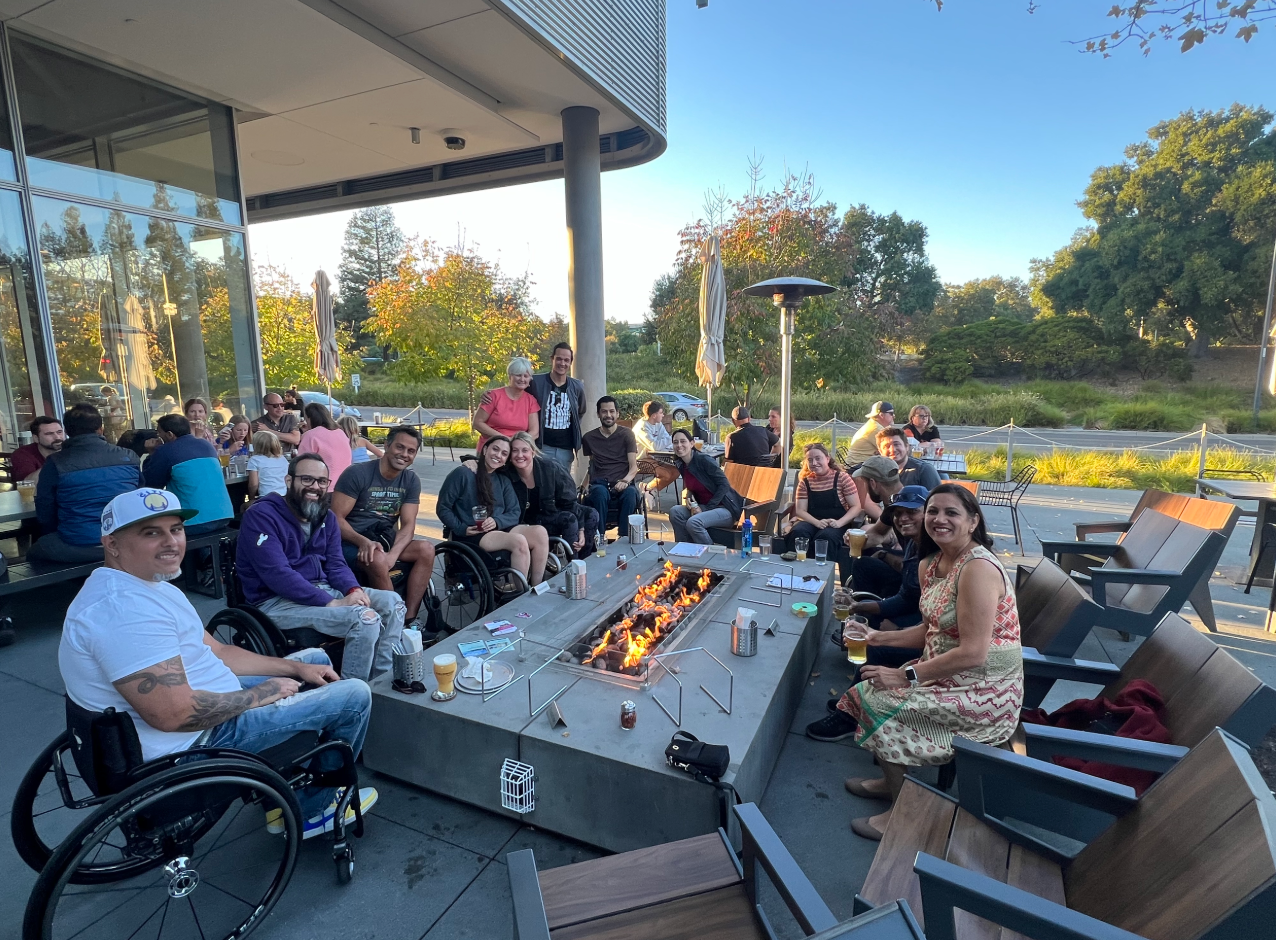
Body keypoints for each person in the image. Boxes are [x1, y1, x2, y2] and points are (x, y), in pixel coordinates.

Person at [59, 488, 376, 835]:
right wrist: (262, 694)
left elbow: (219, 652)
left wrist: (294, 669)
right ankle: (312, 810)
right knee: (355, 696)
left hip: (205, 703)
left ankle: (284, 780)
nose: (171, 542)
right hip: (193, 747)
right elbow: (175, 714)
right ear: (112, 543)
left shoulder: (151, 586)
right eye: (151, 533)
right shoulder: (123, 613)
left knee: (313, 659)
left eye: (175, 529)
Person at [840, 484, 1023, 840]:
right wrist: (877, 637)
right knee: (870, 688)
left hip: (985, 689)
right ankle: (891, 782)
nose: (939, 519)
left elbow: (974, 652)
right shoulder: (932, 563)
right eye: (934, 511)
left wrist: (904, 675)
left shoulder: (978, 569)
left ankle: (904, 814)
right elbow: (931, 627)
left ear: (972, 522)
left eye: (951, 513)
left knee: (877, 698)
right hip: (948, 672)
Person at [237, 453, 406, 682]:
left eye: (321, 481)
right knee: (365, 619)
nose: (314, 487)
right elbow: (277, 574)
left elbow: (336, 563)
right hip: (275, 601)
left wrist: (352, 590)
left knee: (393, 603)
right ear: (289, 481)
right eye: (307, 479)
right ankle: (351, 694)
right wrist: (331, 602)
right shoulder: (261, 516)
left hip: (321, 590)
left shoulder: (325, 516)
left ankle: (380, 683)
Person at [806, 486, 929, 743]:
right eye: (898, 513)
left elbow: (927, 611)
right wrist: (859, 607)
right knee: (864, 566)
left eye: (912, 512)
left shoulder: (935, 554)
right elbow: (908, 595)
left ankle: (850, 717)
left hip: (932, 637)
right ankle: (857, 687)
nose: (903, 518)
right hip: (918, 614)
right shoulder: (913, 543)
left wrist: (893, 628)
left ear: (928, 513)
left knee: (875, 646)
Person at [332, 426, 437, 632]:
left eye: (411, 451)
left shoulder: (410, 480)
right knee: (378, 558)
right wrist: (362, 541)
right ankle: (394, 622)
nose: (404, 454)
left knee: (426, 549)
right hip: (350, 542)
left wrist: (393, 554)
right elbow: (336, 519)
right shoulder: (358, 473)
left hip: (384, 540)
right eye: (400, 447)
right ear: (386, 445)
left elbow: (408, 525)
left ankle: (409, 618)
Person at [32, 407, 143, 563]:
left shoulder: (56, 462)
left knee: (34, 552)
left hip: (80, 543)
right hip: (126, 539)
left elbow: (45, 510)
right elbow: (139, 495)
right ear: (100, 429)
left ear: (67, 431)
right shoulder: (129, 456)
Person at [437, 436, 548, 584]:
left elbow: (514, 512)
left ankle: (536, 585)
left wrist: (497, 521)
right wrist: (460, 528)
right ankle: (521, 593)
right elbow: (443, 507)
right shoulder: (463, 474)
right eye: (495, 449)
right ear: (484, 449)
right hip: (475, 533)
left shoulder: (503, 480)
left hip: (500, 527)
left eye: (504, 453)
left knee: (540, 532)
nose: (498, 455)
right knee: (518, 541)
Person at [504, 431, 599, 558]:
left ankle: (585, 561)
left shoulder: (549, 468)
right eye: (515, 451)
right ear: (510, 455)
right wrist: (470, 463)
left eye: (524, 450)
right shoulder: (506, 474)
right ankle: (573, 565)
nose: (520, 455)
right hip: (528, 520)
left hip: (550, 511)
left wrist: (581, 528)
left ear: (532, 452)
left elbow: (568, 501)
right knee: (569, 519)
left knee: (592, 514)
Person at [143, 414, 234, 534]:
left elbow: (151, 485)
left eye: (159, 433)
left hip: (193, 520)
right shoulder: (206, 445)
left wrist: (152, 453)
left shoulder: (166, 450)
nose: (158, 437)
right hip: (224, 515)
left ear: (170, 435)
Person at [668, 428, 744, 544]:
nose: (679, 445)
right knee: (675, 511)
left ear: (692, 443)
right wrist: (689, 499)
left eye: (683, 441)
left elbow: (724, 484)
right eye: (675, 442)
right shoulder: (682, 464)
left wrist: (707, 508)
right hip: (704, 507)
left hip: (724, 508)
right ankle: (683, 548)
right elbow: (691, 487)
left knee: (693, 522)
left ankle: (709, 554)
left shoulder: (704, 460)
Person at [787, 442, 860, 562]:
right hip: (812, 520)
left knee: (825, 537)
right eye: (810, 460)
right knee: (798, 532)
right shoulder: (805, 482)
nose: (814, 463)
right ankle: (797, 570)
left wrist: (839, 523)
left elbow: (856, 506)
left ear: (827, 458)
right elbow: (801, 510)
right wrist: (817, 522)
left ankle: (821, 573)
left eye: (818, 458)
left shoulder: (842, 478)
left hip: (837, 523)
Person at [582, 396, 639, 539]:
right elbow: (592, 465)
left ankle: (624, 537)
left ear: (617, 413)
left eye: (612, 411)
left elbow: (634, 467)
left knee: (631, 494)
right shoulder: (589, 438)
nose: (608, 415)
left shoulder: (627, 434)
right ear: (598, 414)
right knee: (599, 493)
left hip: (624, 481)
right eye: (604, 412)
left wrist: (625, 481)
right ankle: (599, 537)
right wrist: (583, 485)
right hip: (600, 482)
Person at [529, 342, 586, 472]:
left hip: (565, 448)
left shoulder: (576, 386)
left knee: (562, 486)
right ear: (552, 359)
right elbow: (517, 387)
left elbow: (581, 411)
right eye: (559, 359)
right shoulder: (536, 382)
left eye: (566, 360)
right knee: (542, 485)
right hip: (541, 446)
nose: (562, 363)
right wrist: (492, 394)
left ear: (571, 362)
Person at [474, 357, 540, 451]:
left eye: (526, 376)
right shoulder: (493, 396)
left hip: (516, 451)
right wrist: (505, 440)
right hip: (490, 450)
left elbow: (534, 432)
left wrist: (518, 444)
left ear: (530, 379)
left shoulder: (531, 401)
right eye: (518, 375)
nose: (522, 379)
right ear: (510, 376)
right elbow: (477, 423)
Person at [633, 400, 680, 503]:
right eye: (661, 413)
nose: (663, 415)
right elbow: (655, 446)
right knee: (667, 474)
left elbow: (664, 440)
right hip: (640, 461)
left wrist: (667, 441)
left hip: (655, 457)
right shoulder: (642, 428)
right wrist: (671, 438)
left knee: (677, 470)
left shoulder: (658, 424)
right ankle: (649, 489)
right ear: (654, 415)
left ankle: (649, 490)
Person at [298, 402, 351, 492]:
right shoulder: (340, 432)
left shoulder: (311, 435)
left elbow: (301, 464)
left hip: (322, 486)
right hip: (345, 484)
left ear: (309, 419)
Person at [876, 426, 941, 491]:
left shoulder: (924, 470)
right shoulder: (876, 472)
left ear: (907, 446)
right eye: (887, 446)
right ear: (880, 451)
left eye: (896, 444)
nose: (893, 449)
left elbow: (938, 499)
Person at [852, 455, 903, 526]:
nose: (865, 487)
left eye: (865, 483)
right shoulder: (892, 504)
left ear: (873, 483)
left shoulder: (901, 510)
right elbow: (877, 531)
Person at [11, 416, 64, 482]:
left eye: (59, 432)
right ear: (36, 438)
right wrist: (56, 462)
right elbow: (28, 483)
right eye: (49, 434)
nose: (57, 437)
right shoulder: (23, 454)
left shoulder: (71, 449)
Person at [846, 400, 895, 466]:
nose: (894, 416)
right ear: (882, 415)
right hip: (858, 465)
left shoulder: (873, 424)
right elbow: (891, 450)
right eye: (891, 413)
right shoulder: (876, 429)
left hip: (859, 463)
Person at [247, 430, 288, 499]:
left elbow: (253, 484)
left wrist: (251, 497)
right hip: (284, 496)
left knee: (243, 506)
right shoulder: (282, 459)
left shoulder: (254, 460)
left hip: (266, 497)